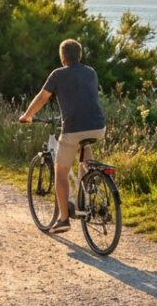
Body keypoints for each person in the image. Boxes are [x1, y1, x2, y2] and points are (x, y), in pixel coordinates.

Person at [19, 39, 107, 234]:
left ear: (62, 57)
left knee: (61, 172)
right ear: (80, 55)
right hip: (98, 127)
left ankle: (64, 219)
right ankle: (89, 189)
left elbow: (43, 97)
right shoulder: (91, 72)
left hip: (73, 129)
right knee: (84, 152)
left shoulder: (57, 74)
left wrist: (28, 115)